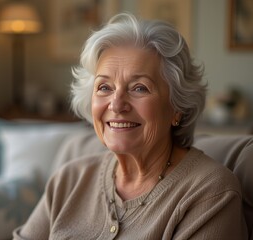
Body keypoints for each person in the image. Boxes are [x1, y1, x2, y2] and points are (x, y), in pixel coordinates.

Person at [13, 13, 248, 239]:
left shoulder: (210, 193)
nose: (116, 104)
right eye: (104, 87)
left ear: (178, 107)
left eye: (139, 88)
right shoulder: (69, 179)